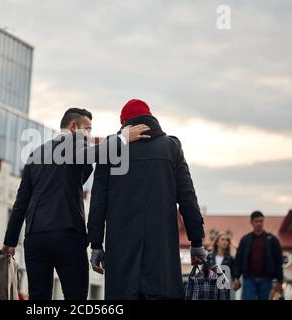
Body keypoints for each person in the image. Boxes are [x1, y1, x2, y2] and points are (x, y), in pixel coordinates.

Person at [1, 107, 150, 300]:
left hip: (35, 237)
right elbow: (94, 154)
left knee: (38, 298)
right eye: (87, 129)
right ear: (73, 126)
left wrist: (10, 241)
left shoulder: (36, 153)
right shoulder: (73, 143)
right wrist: (122, 137)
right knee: (76, 297)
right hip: (67, 234)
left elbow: (21, 202)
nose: (89, 134)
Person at [87, 99, 206, 300]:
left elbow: (98, 202)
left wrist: (96, 244)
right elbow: (187, 198)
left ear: (124, 123)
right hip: (161, 251)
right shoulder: (171, 148)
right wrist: (196, 241)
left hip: (121, 250)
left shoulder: (110, 149)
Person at [233, 210, 284, 300]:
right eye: (256, 221)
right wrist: (236, 277)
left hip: (266, 279)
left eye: (261, 221)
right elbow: (238, 260)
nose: (259, 224)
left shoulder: (272, 240)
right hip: (249, 279)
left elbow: (278, 261)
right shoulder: (245, 240)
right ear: (251, 223)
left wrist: (280, 280)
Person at [206, 231, 235, 298]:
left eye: (227, 240)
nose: (225, 242)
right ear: (217, 242)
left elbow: (234, 274)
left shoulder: (230, 259)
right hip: (210, 289)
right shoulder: (209, 257)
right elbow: (203, 272)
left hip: (224, 290)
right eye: (222, 239)